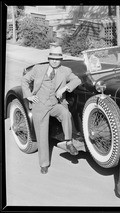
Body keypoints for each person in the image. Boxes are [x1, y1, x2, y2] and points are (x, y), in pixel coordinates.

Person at [22, 45, 82, 174]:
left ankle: (68, 142)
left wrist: (64, 88)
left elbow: (77, 80)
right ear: (48, 58)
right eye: (52, 58)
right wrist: (29, 96)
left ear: (61, 59)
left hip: (55, 104)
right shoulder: (38, 69)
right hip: (40, 105)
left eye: (58, 59)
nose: (55, 61)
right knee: (42, 135)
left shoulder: (65, 71)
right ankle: (44, 164)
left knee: (66, 113)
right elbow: (25, 80)